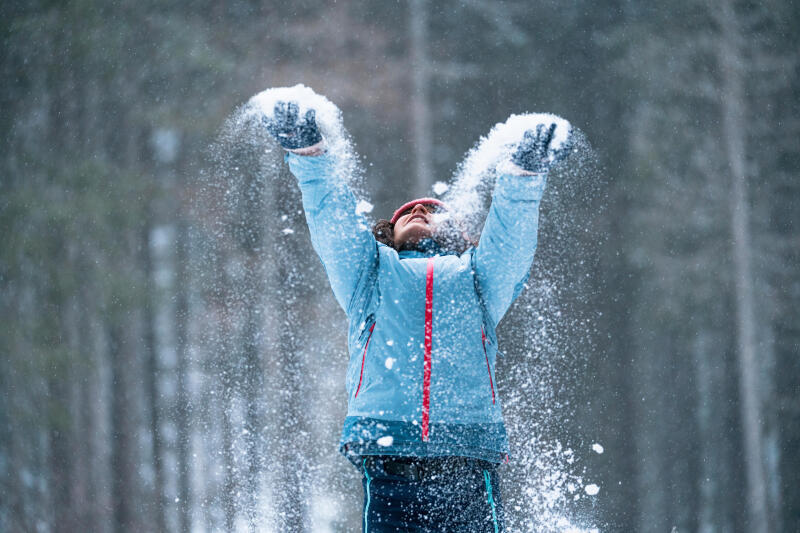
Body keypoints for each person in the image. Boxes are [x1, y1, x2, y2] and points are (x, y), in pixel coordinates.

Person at [264, 98, 571, 532]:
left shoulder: (477, 277)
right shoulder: (368, 273)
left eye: (430, 210)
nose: (419, 211)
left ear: (459, 235)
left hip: (465, 453)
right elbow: (332, 222)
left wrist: (524, 175)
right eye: (407, 211)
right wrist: (308, 154)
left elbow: (510, 244)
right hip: (389, 454)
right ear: (387, 233)